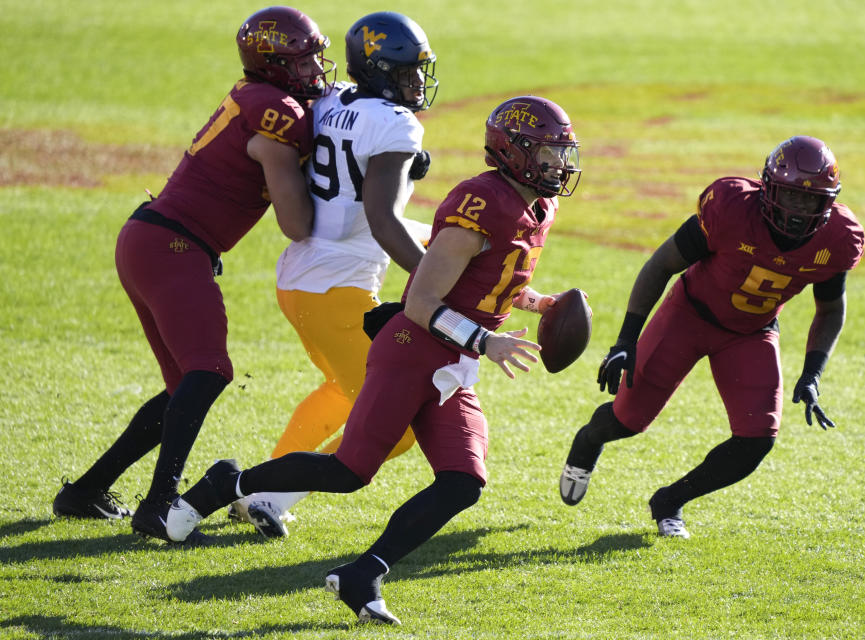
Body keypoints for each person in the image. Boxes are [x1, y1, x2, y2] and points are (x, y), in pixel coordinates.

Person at [165, 96, 582, 624]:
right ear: (515, 151)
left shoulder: (539, 205)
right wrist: (486, 341)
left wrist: (535, 301)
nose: (559, 165)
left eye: (561, 153)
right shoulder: (482, 201)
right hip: (414, 350)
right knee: (349, 471)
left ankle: (364, 572)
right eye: (548, 153)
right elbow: (422, 301)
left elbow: (492, 276)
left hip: (451, 363)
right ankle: (228, 484)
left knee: (463, 481)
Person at [51, 6, 334, 544]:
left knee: (186, 384)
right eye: (302, 60)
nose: (314, 69)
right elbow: (296, 224)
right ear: (273, 64)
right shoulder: (278, 111)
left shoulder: (262, 97)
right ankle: (159, 505)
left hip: (152, 239)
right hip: (174, 245)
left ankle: (86, 490)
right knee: (208, 372)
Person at [559, 135, 864, 539]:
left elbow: (830, 309)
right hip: (688, 315)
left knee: (757, 439)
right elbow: (661, 264)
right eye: (790, 197)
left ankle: (670, 501)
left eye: (810, 201)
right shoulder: (732, 208)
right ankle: (588, 440)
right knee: (628, 421)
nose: (797, 210)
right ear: (768, 189)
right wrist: (625, 340)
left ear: (828, 202)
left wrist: (812, 373)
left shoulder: (838, 237)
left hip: (751, 332)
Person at [228, 12, 439, 539]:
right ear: (378, 72)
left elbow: (350, 196)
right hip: (337, 294)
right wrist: (436, 284)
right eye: (405, 72)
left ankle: (259, 491)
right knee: (397, 429)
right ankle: (263, 493)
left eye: (419, 70)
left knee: (345, 391)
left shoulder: (330, 99)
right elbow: (380, 218)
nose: (416, 82)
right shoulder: (395, 123)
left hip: (300, 281)